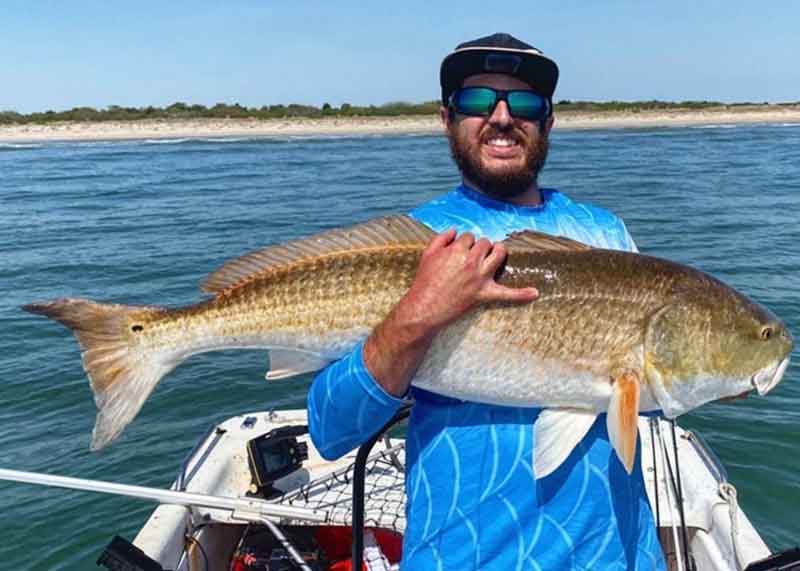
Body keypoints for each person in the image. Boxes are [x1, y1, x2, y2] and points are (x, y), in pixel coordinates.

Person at [308, 33, 666, 570]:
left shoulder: (606, 234)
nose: (502, 117)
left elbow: (647, 380)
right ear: (446, 118)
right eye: (478, 101)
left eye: (524, 103)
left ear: (548, 121)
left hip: (617, 557)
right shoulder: (411, 243)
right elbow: (331, 429)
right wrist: (417, 314)